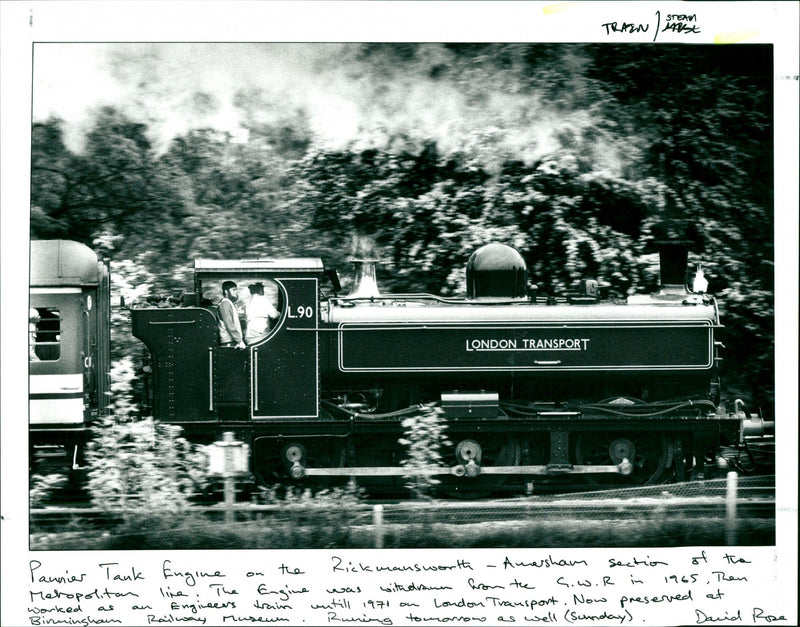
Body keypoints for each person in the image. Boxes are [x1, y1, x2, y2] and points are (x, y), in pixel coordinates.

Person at [217, 281, 246, 348]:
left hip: (231, 341)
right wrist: (239, 341)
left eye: (236, 290)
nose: (236, 292)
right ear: (226, 291)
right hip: (228, 342)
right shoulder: (225, 304)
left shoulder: (229, 303)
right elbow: (229, 324)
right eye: (233, 290)